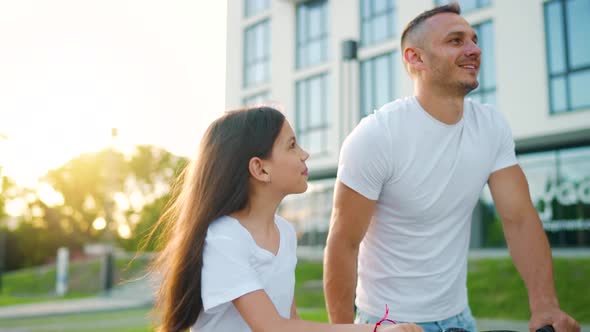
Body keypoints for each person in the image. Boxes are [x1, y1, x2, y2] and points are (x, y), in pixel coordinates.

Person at [323, 3, 580, 332]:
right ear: (415, 58)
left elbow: (519, 219)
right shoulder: (376, 136)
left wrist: (545, 304)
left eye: (474, 39)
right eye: (456, 41)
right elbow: (343, 243)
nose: (474, 49)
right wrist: (345, 330)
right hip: (388, 323)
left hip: (460, 319)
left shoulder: (491, 126)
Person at [148, 106, 423, 332]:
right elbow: (271, 326)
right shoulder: (224, 239)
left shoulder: (285, 232)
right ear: (260, 169)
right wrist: (374, 330)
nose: (305, 153)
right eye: (291, 145)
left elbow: (291, 323)